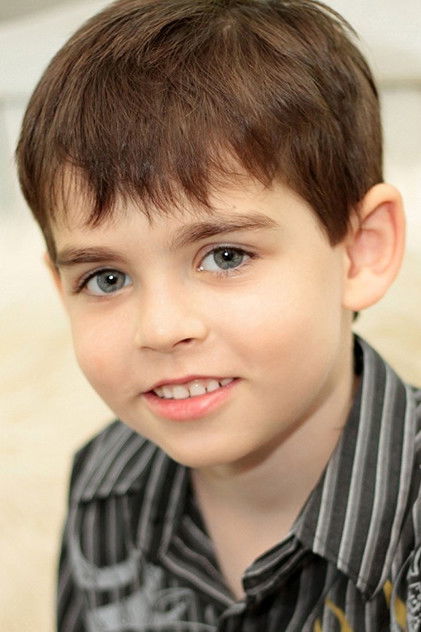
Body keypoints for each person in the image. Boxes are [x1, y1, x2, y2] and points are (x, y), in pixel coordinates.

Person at [16, 0, 420, 630]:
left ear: (361, 250)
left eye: (226, 256)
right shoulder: (104, 485)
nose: (160, 328)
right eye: (106, 278)